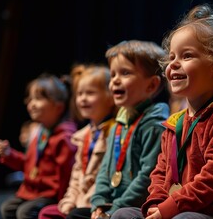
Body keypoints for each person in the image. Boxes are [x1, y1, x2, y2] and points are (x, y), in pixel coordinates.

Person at [112, 3, 213, 219]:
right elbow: (160, 172)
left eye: (186, 56)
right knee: (123, 215)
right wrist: (156, 203)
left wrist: (169, 208)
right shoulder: (175, 121)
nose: (173, 64)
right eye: (172, 57)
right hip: (176, 209)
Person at [66, 40, 170, 219]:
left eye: (125, 73)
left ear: (151, 85)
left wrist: (113, 209)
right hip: (112, 205)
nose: (115, 80)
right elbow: (104, 172)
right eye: (113, 74)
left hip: (135, 206)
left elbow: (147, 176)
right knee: (75, 215)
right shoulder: (118, 125)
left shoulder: (154, 125)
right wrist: (97, 204)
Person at [38, 65, 116, 218]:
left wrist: (88, 203)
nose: (83, 98)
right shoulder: (83, 135)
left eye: (90, 93)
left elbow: (104, 178)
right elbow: (76, 176)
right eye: (80, 94)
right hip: (79, 202)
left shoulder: (114, 132)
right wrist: (69, 201)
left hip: (98, 204)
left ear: (110, 97)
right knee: (47, 214)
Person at [0, 73, 77, 219]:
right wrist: (9, 154)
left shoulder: (64, 137)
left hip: (51, 195)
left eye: (38, 99)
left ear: (58, 107)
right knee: (8, 209)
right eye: (30, 99)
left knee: (25, 212)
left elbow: (67, 175)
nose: (31, 104)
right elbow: (28, 164)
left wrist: (63, 204)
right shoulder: (40, 133)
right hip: (33, 192)